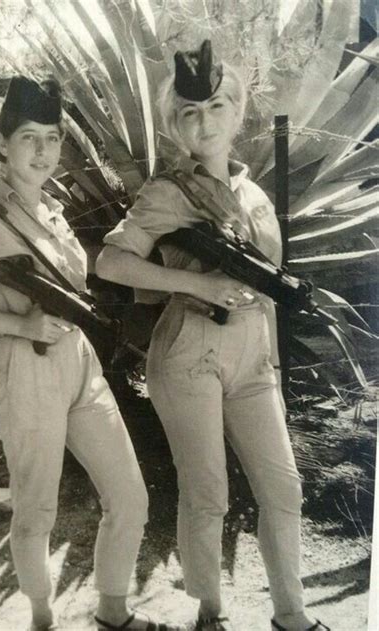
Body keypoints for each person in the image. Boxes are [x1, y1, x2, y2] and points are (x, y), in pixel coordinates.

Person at [96, 41, 330, 631]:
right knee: (208, 493)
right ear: (176, 122)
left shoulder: (253, 196)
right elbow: (111, 264)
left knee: (283, 487)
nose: (205, 122)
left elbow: (271, 290)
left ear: (237, 112)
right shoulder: (167, 193)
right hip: (187, 353)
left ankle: (291, 614)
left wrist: (272, 362)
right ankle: (210, 614)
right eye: (190, 113)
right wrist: (197, 285)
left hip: (253, 357)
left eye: (217, 107)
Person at [0, 75, 175, 631]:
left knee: (130, 496)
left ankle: (113, 611)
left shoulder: (55, 212)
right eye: (27, 138)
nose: (42, 151)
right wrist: (20, 322)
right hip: (27, 368)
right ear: (1, 144)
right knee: (36, 510)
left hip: (81, 366)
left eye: (52, 137)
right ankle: (43, 619)